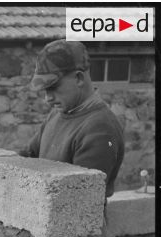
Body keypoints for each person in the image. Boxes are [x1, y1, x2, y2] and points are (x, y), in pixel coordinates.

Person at [19, 39, 125, 199]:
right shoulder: (58, 113)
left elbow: (78, 200)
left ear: (79, 78)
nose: (47, 98)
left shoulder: (100, 129)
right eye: (45, 90)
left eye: (53, 87)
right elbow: (27, 156)